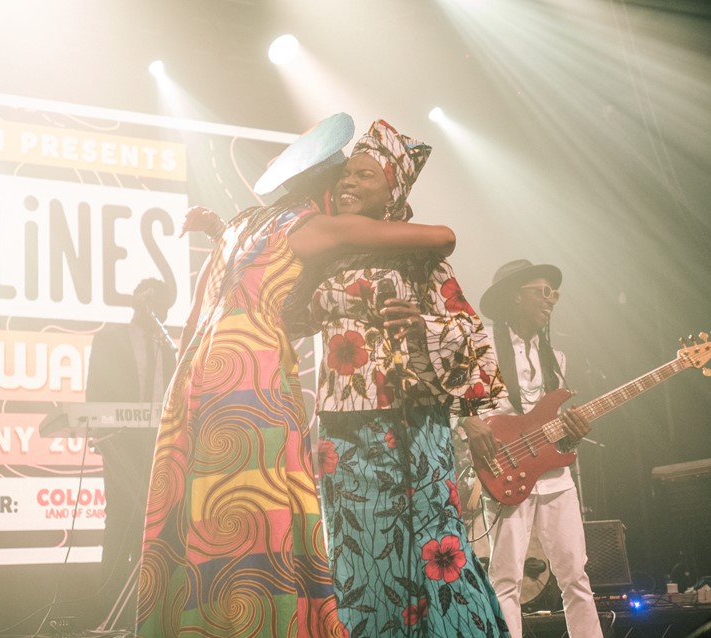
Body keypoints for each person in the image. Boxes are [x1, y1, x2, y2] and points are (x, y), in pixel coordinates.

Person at [135, 114, 457, 637]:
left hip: (199, 373)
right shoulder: (311, 228)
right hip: (250, 372)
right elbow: (442, 236)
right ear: (327, 186)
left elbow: (219, 302)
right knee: (258, 512)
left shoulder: (242, 224)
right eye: (344, 178)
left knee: (205, 508)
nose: (350, 187)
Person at [289, 120, 509, 637]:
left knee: (431, 543)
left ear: (394, 190)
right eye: (345, 174)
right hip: (340, 428)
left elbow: (471, 332)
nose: (348, 182)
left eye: (365, 175)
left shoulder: (414, 251)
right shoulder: (325, 251)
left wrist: (422, 325)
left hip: (406, 420)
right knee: (358, 545)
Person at [460, 259, 602, 638]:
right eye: (543, 292)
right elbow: (457, 399)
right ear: (515, 296)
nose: (552, 300)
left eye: (554, 293)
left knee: (575, 577)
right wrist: (469, 423)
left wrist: (573, 431)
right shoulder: (482, 344)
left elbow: (554, 426)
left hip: (555, 477)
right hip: (503, 469)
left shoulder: (556, 357)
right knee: (506, 578)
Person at [84, 277, 177, 630]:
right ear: (139, 301)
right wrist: (100, 432)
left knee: (150, 524)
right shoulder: (109, 339)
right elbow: (95, 390)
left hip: (157, 443)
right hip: (120, 440)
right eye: (152, 301)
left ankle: (146, 610)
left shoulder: (167, 347)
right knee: (120, 520)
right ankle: (107, 613)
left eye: (164, 304)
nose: (159, 310)